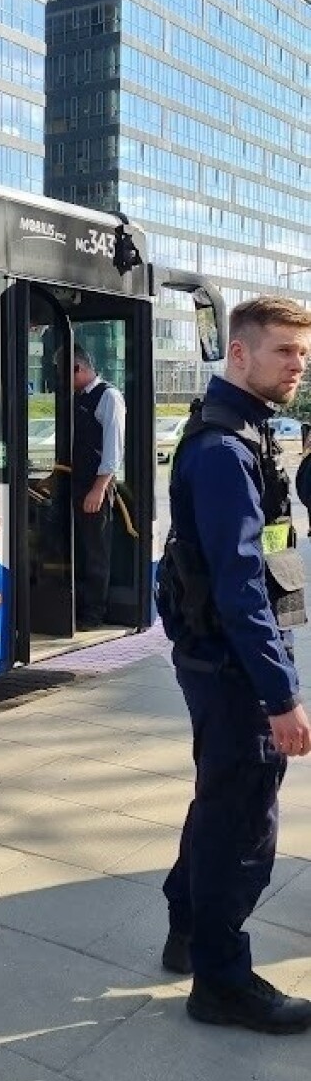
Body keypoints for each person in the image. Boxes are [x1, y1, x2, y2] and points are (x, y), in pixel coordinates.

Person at [157, 295, 311, 1033]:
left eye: (303, 354)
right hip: (234, 667)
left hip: (215, 657)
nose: (298, 364)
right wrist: (280, 697)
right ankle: (220, 980)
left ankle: (186, 923)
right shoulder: (223, 448)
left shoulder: (237, 430)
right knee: (243, 816)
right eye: (284, 351)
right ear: (240, 353)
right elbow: (240, 583)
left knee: (218, 795)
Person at [72, 345, 126, 628]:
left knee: (96, 552)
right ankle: (78, 607)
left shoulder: (108, 397)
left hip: (96, 486)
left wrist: (99, 488)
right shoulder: (79, 397)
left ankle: (94, 614)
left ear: (78, 369)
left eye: (62, 372)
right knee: (79, 549)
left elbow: (113, 450)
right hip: (76, 482)